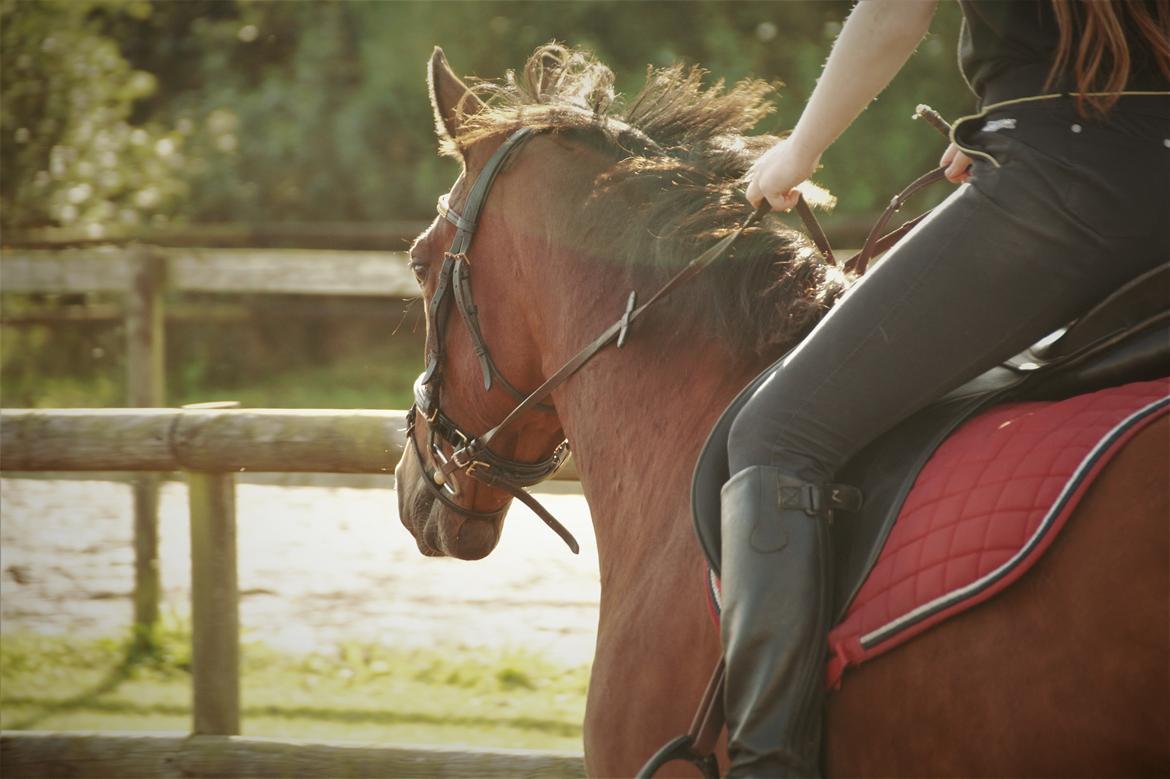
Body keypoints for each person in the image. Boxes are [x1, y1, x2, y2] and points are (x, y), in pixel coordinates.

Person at [723, 0, 1170, 776]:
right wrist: (1002, 120)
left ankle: (767, 765)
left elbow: (894, 12)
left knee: (777, 435)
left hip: (1064, 196)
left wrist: (797, 153)